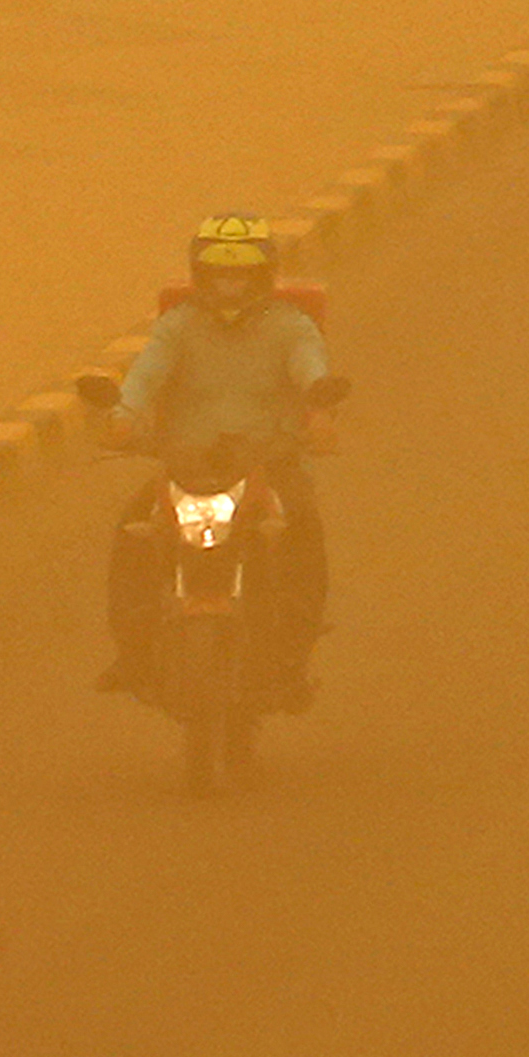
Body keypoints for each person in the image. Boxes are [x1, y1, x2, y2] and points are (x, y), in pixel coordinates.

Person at [98, 215, 334, 706]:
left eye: (242, 275)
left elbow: (312, 370)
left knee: (304, 531)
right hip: (188, 467)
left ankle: (294, 652)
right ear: (200, 276)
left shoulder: (291, 328)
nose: (230, 286)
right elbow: (145, 375)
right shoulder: (177, 326)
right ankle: (133, 652)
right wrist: (122, 416)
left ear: (263, 276)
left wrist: (319, 412)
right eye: (220, 275)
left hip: (270, 467)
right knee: (130, 533)